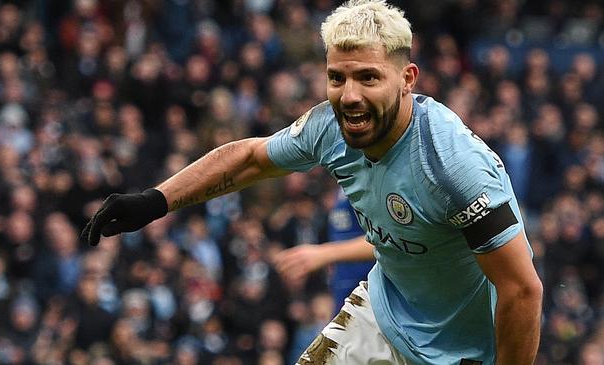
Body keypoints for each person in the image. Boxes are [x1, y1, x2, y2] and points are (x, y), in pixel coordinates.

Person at [82, 1, 543, 364]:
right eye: (336, 78)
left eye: (368, 77)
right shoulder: (330, 128)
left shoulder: (453, 167)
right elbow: (249, 160)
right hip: (384, 316)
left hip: (463, 353)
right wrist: (156, 200)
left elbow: (523, 290)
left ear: (407, 79)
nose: (350, 96)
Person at [274, 188, 374, 312]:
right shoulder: (341, 184)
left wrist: (325, 254)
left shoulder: (373, 181)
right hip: (347, 299)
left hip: (376, 301)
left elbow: (393, 241)